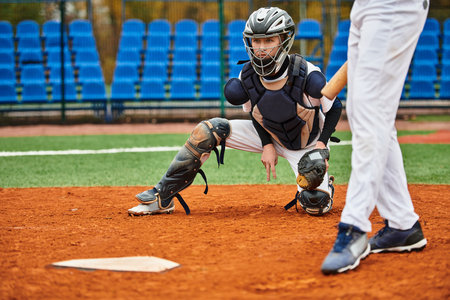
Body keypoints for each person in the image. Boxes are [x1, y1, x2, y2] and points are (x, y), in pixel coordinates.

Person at [128, 7, 342, 217]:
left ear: (284, 39)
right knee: (209, 130)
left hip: (308, 142)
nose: (261, 48)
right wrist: (267, 144)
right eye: (256, 41)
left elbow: (335, 108)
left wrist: (322, 146)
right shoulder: (247, 75)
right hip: (271, 134)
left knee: (315, 204)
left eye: (269, 40)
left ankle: (325, 189)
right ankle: (162, 197)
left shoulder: (306, 73)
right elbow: (256, 114)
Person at [321, 0, 429, 274]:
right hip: (365, 8)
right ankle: (402, 224)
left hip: (393, 6)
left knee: (370, 115)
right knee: (364, 116)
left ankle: (354, 226)